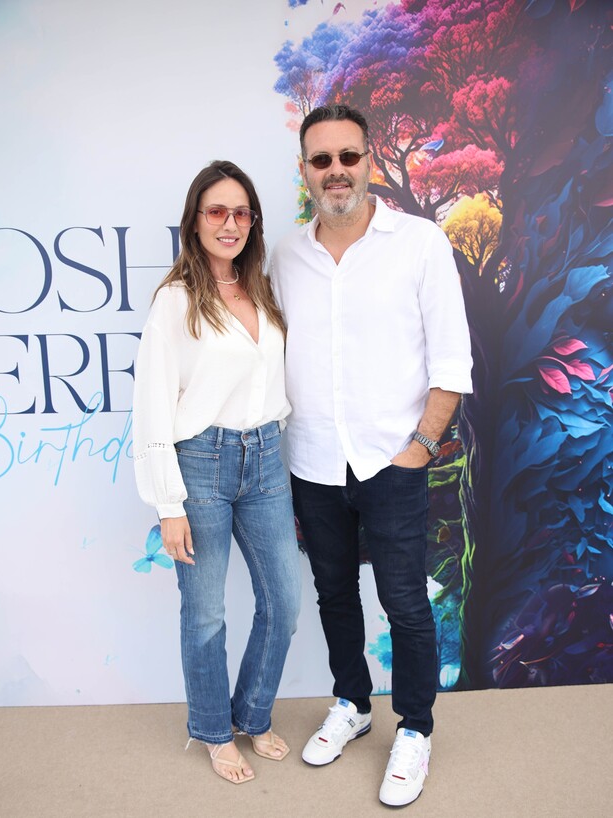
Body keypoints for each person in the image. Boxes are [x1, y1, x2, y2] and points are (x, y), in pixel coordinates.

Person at [270, 105, 473, 807]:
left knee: (405, 602)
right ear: (305, 170)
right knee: (333, 594)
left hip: (393, 462)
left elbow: (452, 362)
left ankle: (414, 728)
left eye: (348, 157)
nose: (336, 171)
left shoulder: (419, 244)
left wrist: (421, 448)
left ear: (370, 162)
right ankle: (353, 704)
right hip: (313, 463)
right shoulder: (285, 256)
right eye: (321, 159)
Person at [133, 160, 301, 785]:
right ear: (195, 221)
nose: (229, 224)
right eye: (216, 211)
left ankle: (252, 714)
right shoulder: (176, 300)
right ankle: (212, 730)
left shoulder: (263, 292)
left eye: (241, 213)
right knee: (204, 612)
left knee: (284, 602)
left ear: (253, 222)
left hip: (266, 461)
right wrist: (167, 504)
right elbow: (152, 402)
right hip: (200, 463)